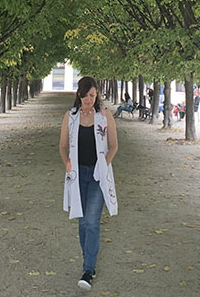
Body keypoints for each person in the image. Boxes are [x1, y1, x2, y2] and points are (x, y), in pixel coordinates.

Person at [60, 76, 119, 290]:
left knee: (92, 221)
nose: (88, 100)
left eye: (92, 95)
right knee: (82, 222)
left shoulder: (104, 117)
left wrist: (103, 165)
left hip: (97, 176)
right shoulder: (71, 117)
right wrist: (66, 162)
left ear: (97, 95)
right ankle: (89, 263)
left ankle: (87, 269)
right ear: (79, 95)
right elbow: (62, 146)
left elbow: (113, 146)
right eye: (85, 96)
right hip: (77, 175)